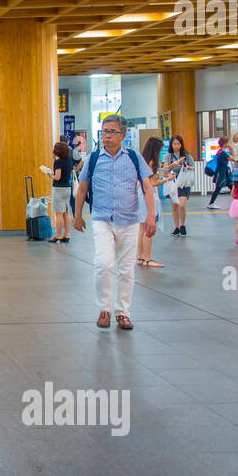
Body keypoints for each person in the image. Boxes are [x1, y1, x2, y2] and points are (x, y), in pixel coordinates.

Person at [73, 115, 155, 331]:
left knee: (127, 269)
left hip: (129, 220)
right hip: (102, 219)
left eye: (111, 132)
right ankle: (104, 309)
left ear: (123, 135)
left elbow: (147, 188)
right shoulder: (93, 158)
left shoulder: (135, 158)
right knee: (104, 263)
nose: (107, 136)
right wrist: (77, 215)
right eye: (104, 132)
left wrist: (151, 216)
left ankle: (123, 312)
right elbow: (82, 188)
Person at [137, 137, 166, 268]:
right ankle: (148, 258)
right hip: (148, 196)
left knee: (141, 227)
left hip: (139, 195)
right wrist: (166, 180)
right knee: (149, 227)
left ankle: (140, 257)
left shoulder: (141, 160)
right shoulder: (152, 162)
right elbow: (152, 183)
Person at [161, 136, 194, 236]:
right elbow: (164, 169)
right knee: (174, 206)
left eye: (178, 144)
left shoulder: (186, 155)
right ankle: (176, 227)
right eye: (174, 144)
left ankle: (182, 225)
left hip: (184, 183)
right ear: (171, 144)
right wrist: (173, 165)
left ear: (181, 144)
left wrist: (187, 167)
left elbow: (193, 167)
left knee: (182, 205)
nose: (176, 146)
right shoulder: (168, 156)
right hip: (173, 183)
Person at [49, 140, 74, 244]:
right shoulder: (68, 160)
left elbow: (57, 177)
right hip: (67, 189)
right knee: (66, 213)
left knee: (58, 214)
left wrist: (50, 175)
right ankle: (66, 235)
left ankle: (58, 235)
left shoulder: (58, 162)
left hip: (58, 189)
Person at [206, 137, 232, 209]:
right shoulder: (224, 152)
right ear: (225, 144)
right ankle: (211, 203)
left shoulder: (220, 151)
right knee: (218, 188)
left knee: (230, 185)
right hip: (221, 173)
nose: (228, 144)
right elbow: (233, 158)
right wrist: (232, 150)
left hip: (223, 172)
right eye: (227, 142)